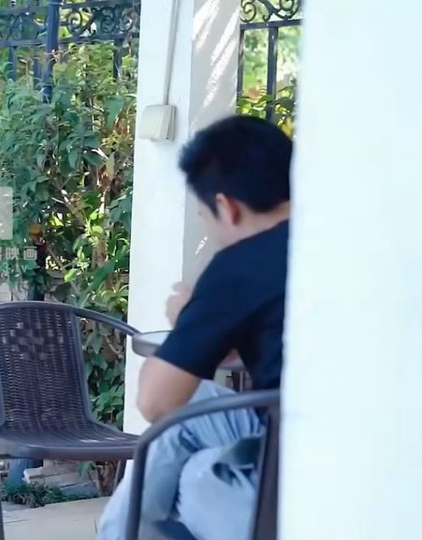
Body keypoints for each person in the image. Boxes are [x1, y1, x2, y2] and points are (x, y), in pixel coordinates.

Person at [96, 114, 292, 540]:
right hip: (353, 438)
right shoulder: (336, 241)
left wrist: (192, 316)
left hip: (295, 467)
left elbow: (155, 401)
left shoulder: (241, 265)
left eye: (204, 215)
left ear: (227, 207)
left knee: (196, 475)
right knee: (197, 400)